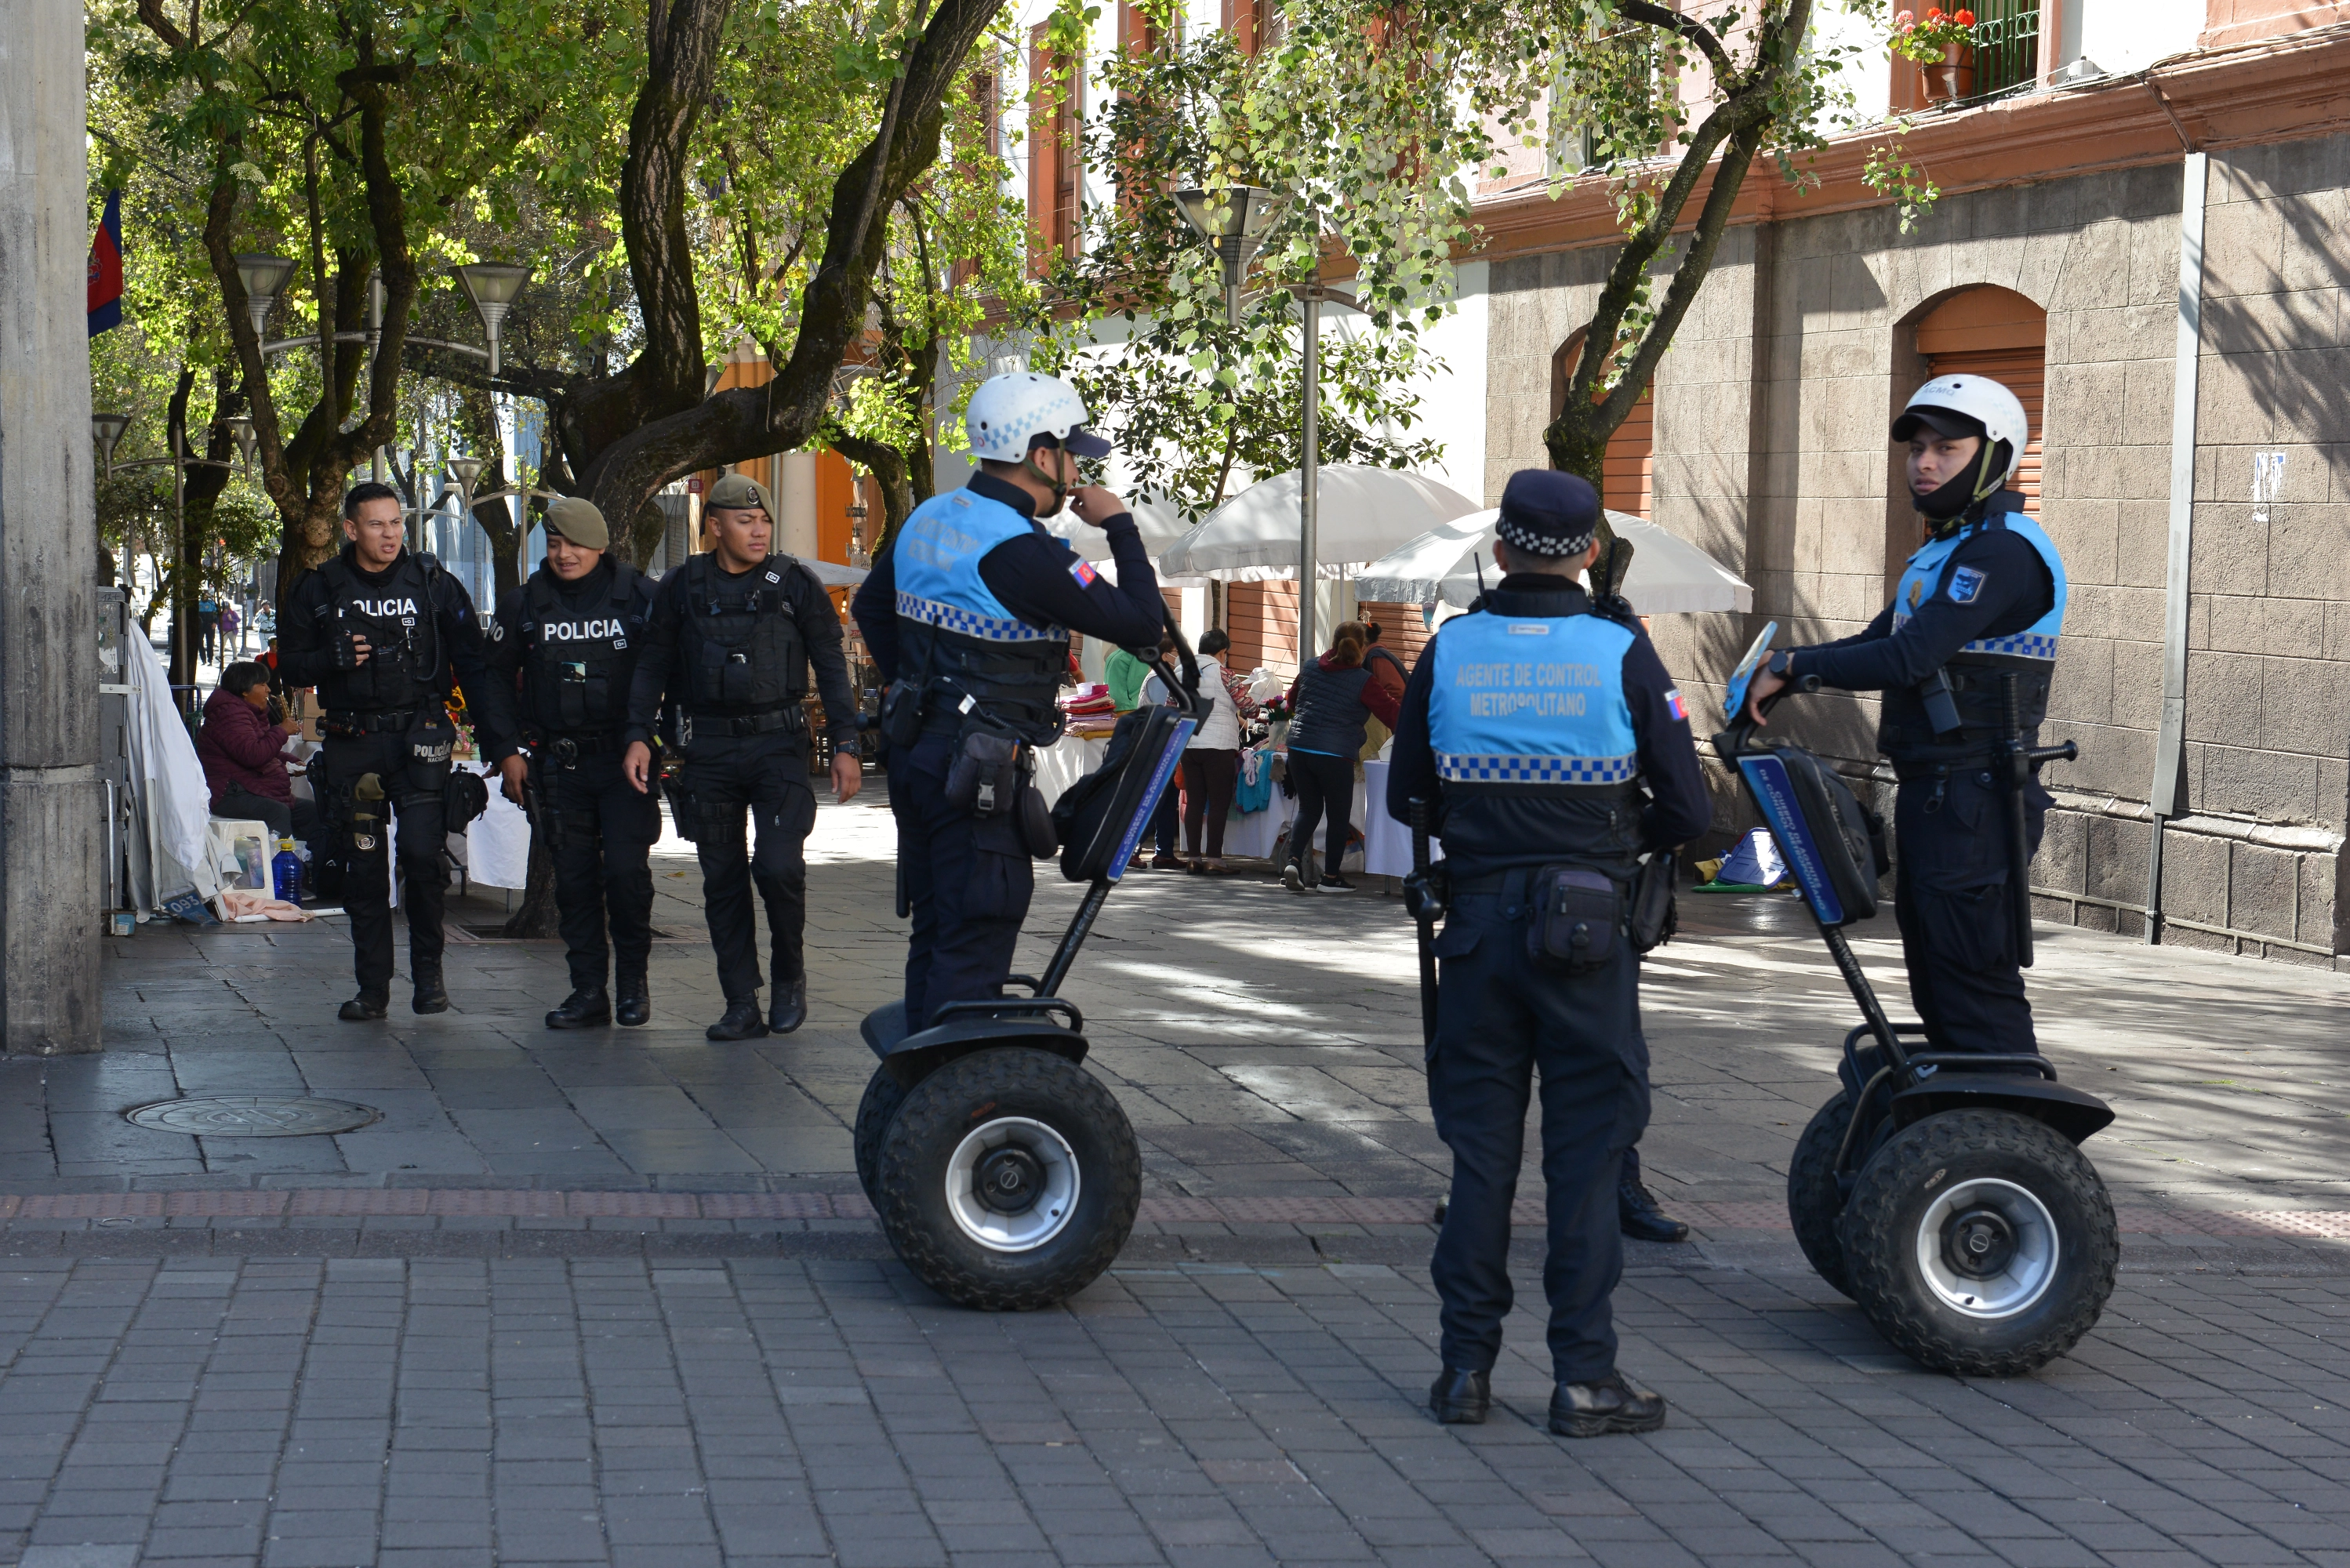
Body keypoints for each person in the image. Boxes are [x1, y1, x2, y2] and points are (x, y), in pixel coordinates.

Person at [1387, 468, 1710, 1439]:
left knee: (1480, 1159)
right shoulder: (1622, 652)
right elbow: (1693, 811)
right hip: (1586, 935)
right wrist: (1608, 835)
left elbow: (1408, 796)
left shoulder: (1447, 651)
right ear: (1589, 554)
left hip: (1478, 932)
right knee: (1584, 1157)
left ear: (1498, 549)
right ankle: (1585, 1378)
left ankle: (1463, 1372)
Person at [1744, 373, 2062, 1062]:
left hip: (1976, 800)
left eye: (1945, 448)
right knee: (1936, 983)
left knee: (1972, 982)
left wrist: (1791, 669)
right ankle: (1961, 1129)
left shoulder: (2002, 552)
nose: (1922, 462)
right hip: (1935, 794)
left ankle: (2016, 1138)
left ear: (1993, 456)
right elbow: (1874, 645)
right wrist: (1784, 675)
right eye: (1915, 447)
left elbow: (1910, 658)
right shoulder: (1942, 553)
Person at [850, 371, 1167, 1030]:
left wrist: (920, 686)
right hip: (978, 772)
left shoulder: (928, 517)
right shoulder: (1023, 551)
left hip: (917, 752)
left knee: (937, 928)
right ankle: (960, 1109)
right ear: (1040, 455)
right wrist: (1119, 527)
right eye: (1072, 453)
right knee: (977, 929)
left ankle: (921, 1081)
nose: (1079, 469)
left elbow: (871, 606)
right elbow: (1142, 623)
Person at [623, 473, 862, 1042]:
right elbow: (652, 666)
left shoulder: (794, 584)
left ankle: (789, 977)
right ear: (714, 526)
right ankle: (739, 1001)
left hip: (778, 744)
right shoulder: (681, 586)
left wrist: (847, 744)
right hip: (707, 747)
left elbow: (831, 666)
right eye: (744, 521)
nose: (758, 531)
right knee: (721, 878)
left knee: (778, 867)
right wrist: (638, 733)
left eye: (764, 521)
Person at [278, 481, 514, 1020]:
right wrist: (328, 659)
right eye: (377, 524)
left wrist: (502, 745)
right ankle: (372, 989)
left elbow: (474, 667)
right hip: (351, 741)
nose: (389, 535)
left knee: (421, 857)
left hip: (421, 738)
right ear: (351, 529)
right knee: (362, 869)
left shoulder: (434, 585)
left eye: (396, 523)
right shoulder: (318, 588)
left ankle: (429, 979)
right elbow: (289, 665)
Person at [489, 499, 663, 1030]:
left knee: (627, 875)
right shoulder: (524, 604)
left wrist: (651, 739)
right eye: (556, 544)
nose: (565, 554)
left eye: (577, 545)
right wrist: (507, 750)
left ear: (601, 545)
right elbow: (493, 682)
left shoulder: (639, 598)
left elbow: (662, 672)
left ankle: (632, 984)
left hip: (623, 760)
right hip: (557, 765)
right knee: (574, 882)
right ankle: (589, 991)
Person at [1282, 621, 1400, 894]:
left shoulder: (1310, 667)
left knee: (1308, 809)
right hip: (1335, 754)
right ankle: (1331, 878)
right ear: (1363, 647)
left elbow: (1291, 701)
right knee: (1337, 816)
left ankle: (1294, 862)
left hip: (1299, 748)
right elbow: (1391, 714)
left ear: (1333, 644)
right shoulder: (1364, 681)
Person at [1149, 627, 1255, 873]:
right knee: (1218, 802)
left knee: (1195, 800)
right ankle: (1214, 860)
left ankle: (1194, 858)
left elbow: (1170, 706)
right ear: (1221, 652)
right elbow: (1248, 707)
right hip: (1218, 745)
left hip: (1189, 743)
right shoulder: (1224, 673)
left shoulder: (1178, 670)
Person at [197, 660, 319, 848]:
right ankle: (276, 867)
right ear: (245, 690)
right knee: (277, 812)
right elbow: (253, 754)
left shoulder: (247, 711)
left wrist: (293, 761)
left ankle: (309, 864)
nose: (268, 690)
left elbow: (266, 750)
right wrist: (281, 731)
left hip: (250, 786)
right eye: (262, 685)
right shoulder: (229, 714)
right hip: (229, 791)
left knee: (310, 811)